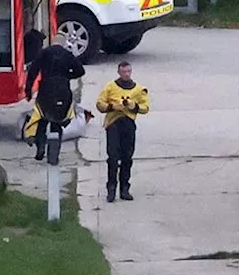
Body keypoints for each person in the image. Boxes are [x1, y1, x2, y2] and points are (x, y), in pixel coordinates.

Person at [24, 35, 86, 163]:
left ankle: (40, 147)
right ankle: (54, 154)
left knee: (42, 118)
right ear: (63, 44)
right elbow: (80, 71)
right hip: (63, 89)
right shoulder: (67, 55)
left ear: (52, 42)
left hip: (46, 89)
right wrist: (67, 76)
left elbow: (33, 72)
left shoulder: (44, 53)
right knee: (57, 121)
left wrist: (28, 90)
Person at [95, 61, 151, 202]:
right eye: (123, 72)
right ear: (119, 72)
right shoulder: (110, 87)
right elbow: (99, 104)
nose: (126, 74)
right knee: (113, 158)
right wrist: (112, 107)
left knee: (127, 157)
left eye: (128, 71)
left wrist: (134, 106)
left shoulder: (138, 89)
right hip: (113, 124)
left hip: (128, 124)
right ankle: (111, 189)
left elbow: (146, 107)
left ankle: (125, 188)